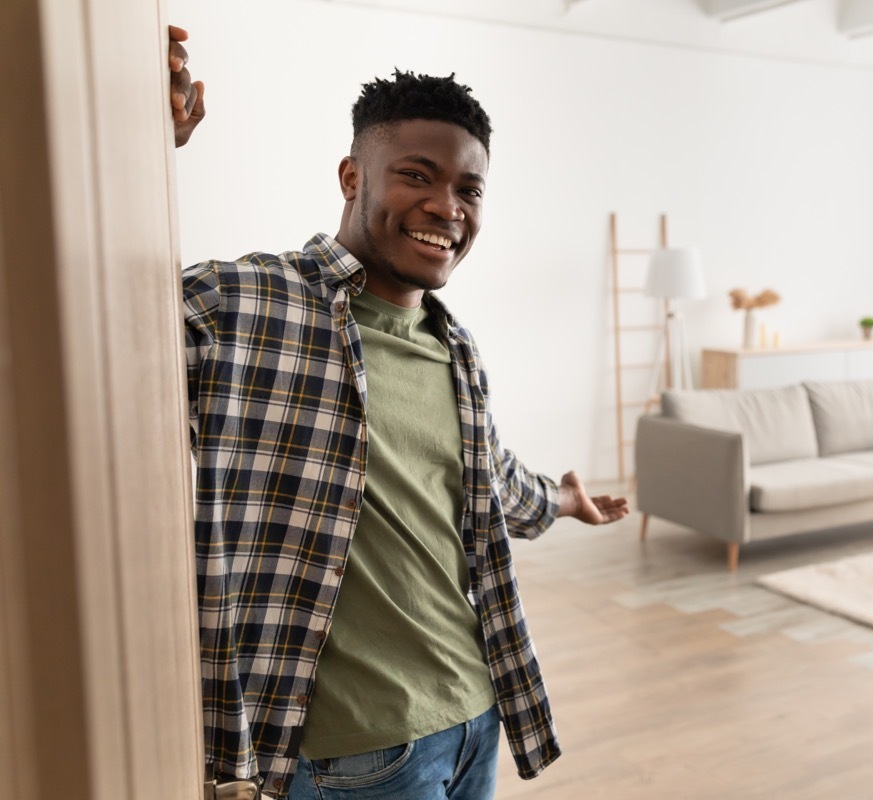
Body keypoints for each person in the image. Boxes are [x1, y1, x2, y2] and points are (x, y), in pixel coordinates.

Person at [168, 26, 629, 800]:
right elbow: (82, 326)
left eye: (469, 189)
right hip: (354, 754)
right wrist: (133, 155)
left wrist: (564, 501)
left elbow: (485, 477)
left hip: (475, 717)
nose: (445, 207)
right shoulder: (239, 305)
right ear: (353, 175)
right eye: (417, 175)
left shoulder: (455, 350)